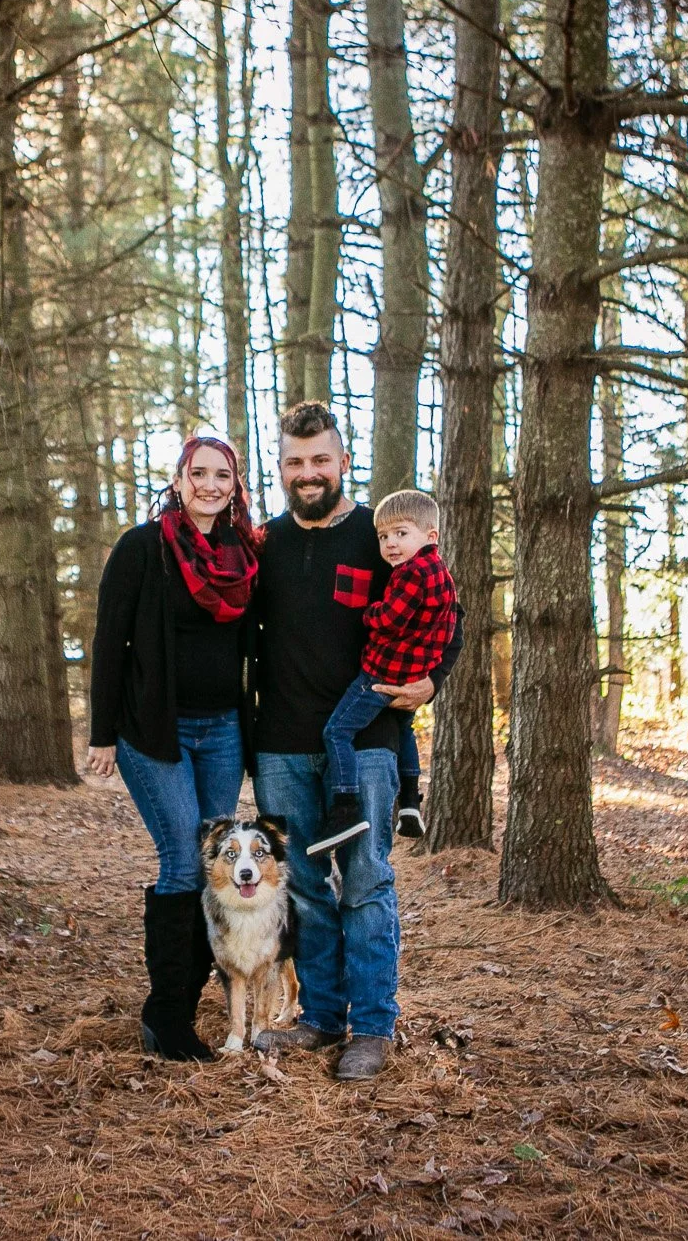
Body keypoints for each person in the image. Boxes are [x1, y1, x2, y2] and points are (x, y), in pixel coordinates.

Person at [246, 403, 461, 1081]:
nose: (308, 473)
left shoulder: (381, 536)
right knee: (306, 885)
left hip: (367, 738)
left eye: (320, 460)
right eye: (294, 461)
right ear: (281, 468)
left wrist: (435, 680)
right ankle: (320, 1020)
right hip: (280, 744)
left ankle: (371, 1027)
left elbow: (445, 611)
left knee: (366, 881)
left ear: (343, 461)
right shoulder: (265, 545)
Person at [87, 435, 261, 1062]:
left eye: (223, 475)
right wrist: (101, 732)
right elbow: (109, 643)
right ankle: (166, 1018)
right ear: (180, 478)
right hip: (154, 731)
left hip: (222, 733)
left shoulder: (243, 554)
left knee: (215, 869)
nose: (211, 485)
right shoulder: (143, 548)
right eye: (200, 473)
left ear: (235, 484)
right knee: (184, 860)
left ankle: (188, 1004)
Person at [306, 489, 455, 857]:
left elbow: (388, 618)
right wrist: (428, 667)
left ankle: (345, 806)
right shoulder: (441, 574)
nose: (390, 544)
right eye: (384, 537)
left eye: (401, 534)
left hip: (380, 673)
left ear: (430, 535)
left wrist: (367, 614)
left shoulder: (411, 573)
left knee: (337, 732)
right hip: (409, 675)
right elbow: (449, 625)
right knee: (404, 729)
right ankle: (409, 801)